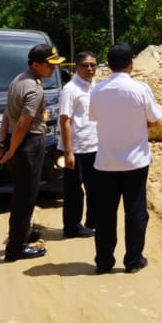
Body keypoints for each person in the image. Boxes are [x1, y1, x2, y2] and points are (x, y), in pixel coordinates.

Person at [90, 42, 160, 274]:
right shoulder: (140, 89)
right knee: (136, 211)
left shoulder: (97, 90)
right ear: (131, 64)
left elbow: (95, 117)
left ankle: (104, 261)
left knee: (105, 214)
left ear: (108, 65)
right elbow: (154, 120)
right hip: (135, 162)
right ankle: (133, 260)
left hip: (106, 162)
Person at [0, 43, 64, 262]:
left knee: (21, 193)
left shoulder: (18, 80)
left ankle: (22, 234)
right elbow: (24, 124)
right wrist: (12, 149)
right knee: (25, 198)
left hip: (16, 141)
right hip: (28, 144)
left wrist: (3, 141)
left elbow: (6, 113)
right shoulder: (34, 89)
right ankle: (16, 248)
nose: (53, 69)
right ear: (36, 65)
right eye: (49, 65)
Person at [59, 51, 99, 239]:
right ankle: (72, 226)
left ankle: (93, 220)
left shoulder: (94, 86)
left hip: (94, 145)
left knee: (95, 187)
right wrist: (68, 151)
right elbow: (65, 120)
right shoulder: (70, 89)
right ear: (77, 67)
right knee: (74, 190)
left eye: (93, 65)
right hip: (77, 147)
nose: (90, 69)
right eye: (85, 65)